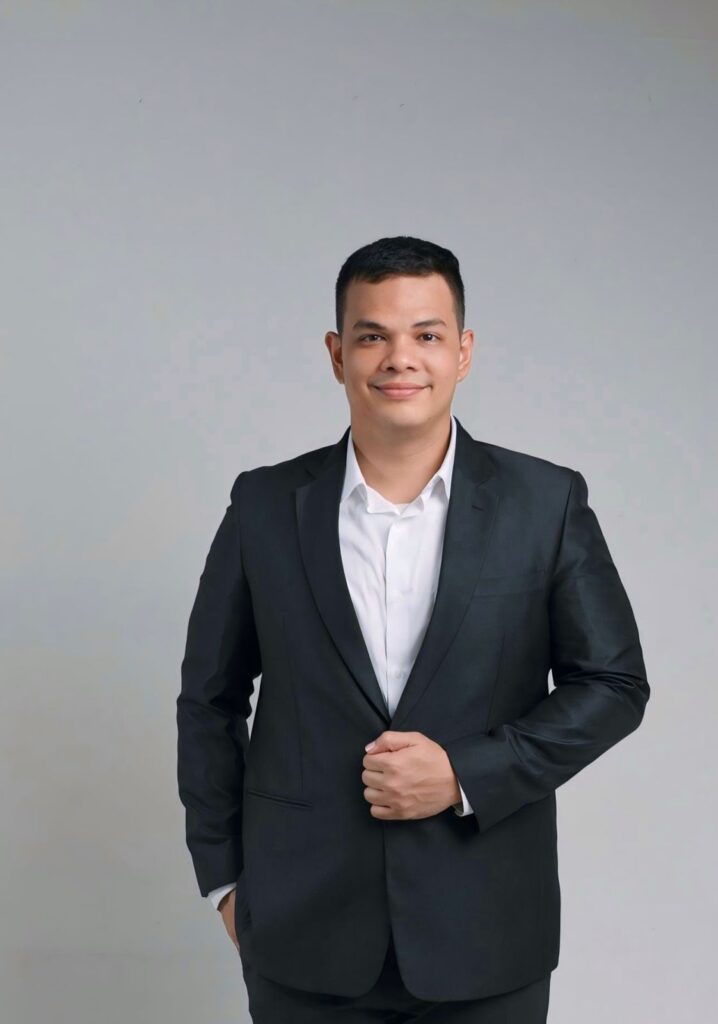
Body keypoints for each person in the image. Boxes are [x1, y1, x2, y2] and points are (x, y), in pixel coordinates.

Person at [177, 235, 650, 1022]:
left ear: (462, 351)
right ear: (337, 354)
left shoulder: (545, 503)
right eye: (372, 336)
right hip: (300, 929)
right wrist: (224, 879)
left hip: (487, 928)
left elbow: (613, 684)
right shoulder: (262, 506)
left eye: (426, 335)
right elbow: (209, 698)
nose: (401, 358)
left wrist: (466, 774)